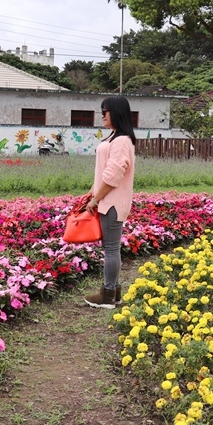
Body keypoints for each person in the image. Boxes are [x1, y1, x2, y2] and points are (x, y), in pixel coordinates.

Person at [83, 96, 137, 309]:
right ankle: (112, 293)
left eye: (105, 111)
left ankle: (107, 295)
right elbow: (104, 172)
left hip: (112, 202)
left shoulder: (122, 140)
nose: (102, 115)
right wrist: (92, 191)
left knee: (112, 248)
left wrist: (96, 199)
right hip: (106, 199)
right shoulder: (114, 137)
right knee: (110, 247)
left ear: (117, 112)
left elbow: (114, 175)